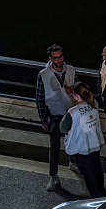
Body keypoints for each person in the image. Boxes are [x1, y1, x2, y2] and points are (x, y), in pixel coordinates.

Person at [36, 44, 78, 191]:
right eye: (55, 58)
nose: (59, 60)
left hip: (71, 113)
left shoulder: (71, 70)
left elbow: (80, 89)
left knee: (73, 140)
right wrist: (43, 119)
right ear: (50, 58)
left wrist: (72, 90)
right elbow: (40, 98)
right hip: (54, 115)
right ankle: (53, 177)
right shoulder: (43, 74)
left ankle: (73, 162)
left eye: (60, 57)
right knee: (54, 147)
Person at [60, 82, 106, 198]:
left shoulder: (73, 113)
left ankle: (97, 200)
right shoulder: (94, 104)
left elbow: (63, 128)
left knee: (89, 176)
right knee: (97, 170)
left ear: (76, 96)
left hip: (81, 149)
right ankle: (103, 192)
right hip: (95, 145)